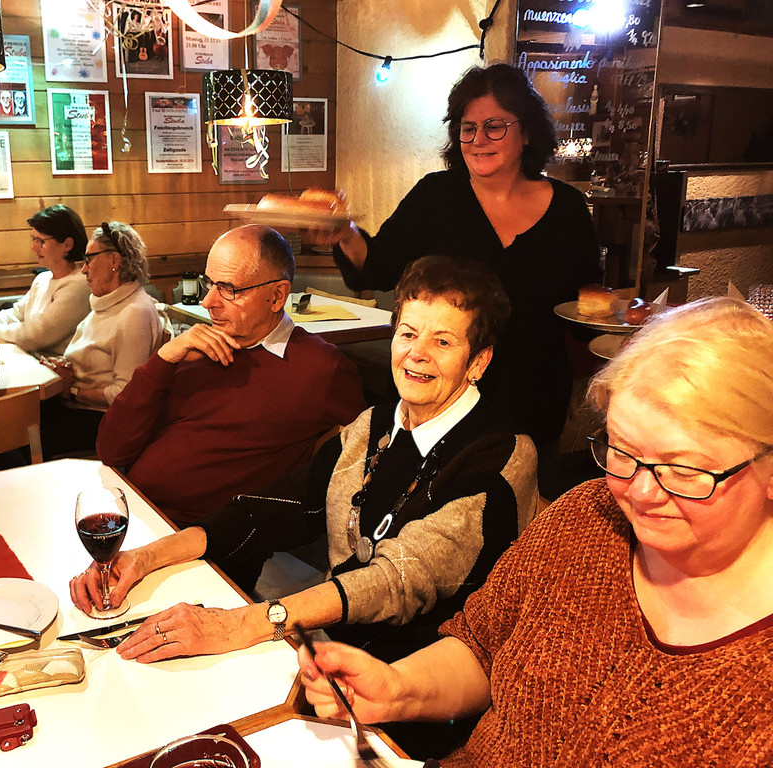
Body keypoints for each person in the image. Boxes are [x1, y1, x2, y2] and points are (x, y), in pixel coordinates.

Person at [297, 297, 773, 765]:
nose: (641, 492)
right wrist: (397, 689)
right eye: (623, 451)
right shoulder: (585, 517)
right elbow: (483, 647)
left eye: (685, 470)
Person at [72, 257, 538, 675]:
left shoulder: (501, 454)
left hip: (420, 680)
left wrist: (244, 624)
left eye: (443, 341)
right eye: (408, 333)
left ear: (478, 362)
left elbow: (395, 581)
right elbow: (275, 506)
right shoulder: (374, 424)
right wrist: (142, 558)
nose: (417, 353)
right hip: (335, 648)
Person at [324, 63, 601, 473]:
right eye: (467, 128)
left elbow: (585, 307)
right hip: (437, 401)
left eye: (494, 126)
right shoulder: (436, 195)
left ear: (527, 132)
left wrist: (625, 323)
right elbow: (376, 269)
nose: (478, 140)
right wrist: (344, 232)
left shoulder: (568, 209)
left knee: (522, 506)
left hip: (532, 401)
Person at [95, 224, 367, 527]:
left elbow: (366, 451)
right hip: (125, 506)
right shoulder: (193, 351)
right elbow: (111, 449)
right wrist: (163, 360)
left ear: (277, 296)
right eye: (209, 283)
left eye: (228, 289)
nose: (207, 302)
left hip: (193, 535)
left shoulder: (321, 368)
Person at [38, 222, 163, 457]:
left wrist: (70, 390)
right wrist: (62, 369)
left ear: (114, 260)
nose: (83, 270)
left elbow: (124, 394)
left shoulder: (135, 313)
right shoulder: (106, 302)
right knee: (19, 420)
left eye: (89, 260)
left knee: (25, 436)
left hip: (104, 421)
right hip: (77, 407)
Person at [0, 205, 92, 357]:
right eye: (33, 239)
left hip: (57, 368)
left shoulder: (79, 285)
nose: (34, 248)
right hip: (33, 360)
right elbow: (17, 313)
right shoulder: (42, 278)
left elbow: (34, 336)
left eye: (41, 241)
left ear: (67, 245)